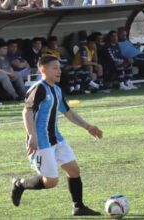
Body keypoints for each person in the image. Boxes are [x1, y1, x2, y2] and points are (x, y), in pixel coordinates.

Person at [11, 55, 103, 216]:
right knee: (51, 182)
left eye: (59, 68)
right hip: (41, 142)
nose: (59, 71)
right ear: (42, 69)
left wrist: (88, 127)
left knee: (74, 170)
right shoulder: (38, 88)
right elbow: (27, 111)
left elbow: (67, 112)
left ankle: (78, 206)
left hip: (57, 138)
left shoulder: (57, 89)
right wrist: (31, 136)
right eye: (54, 68)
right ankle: (20, 184)